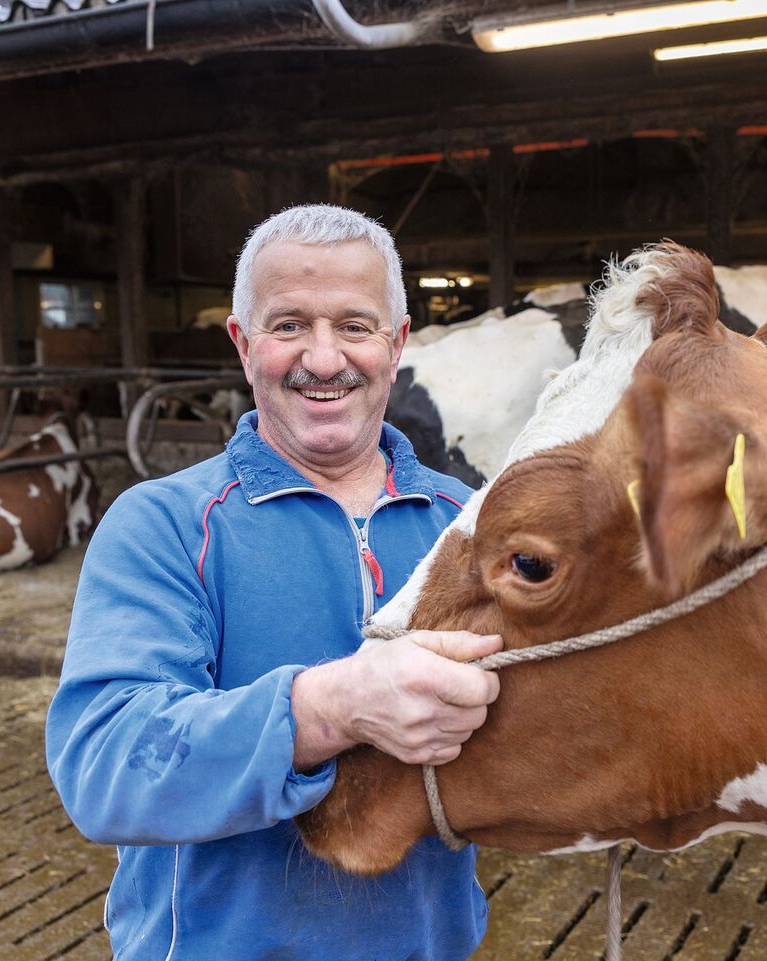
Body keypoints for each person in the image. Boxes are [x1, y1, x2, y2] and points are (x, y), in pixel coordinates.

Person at [45, 204, 502, 960]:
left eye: (354, 326)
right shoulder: (165, 524)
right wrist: (329, 708)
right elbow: (105, 767)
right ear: (243, 343)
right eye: (289, 325)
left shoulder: (473, 526)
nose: (322, 359)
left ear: (396, 344)